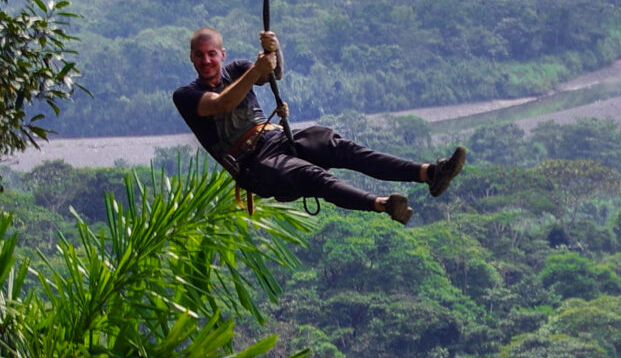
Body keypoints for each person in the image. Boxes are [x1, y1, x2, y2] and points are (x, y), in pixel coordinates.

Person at [173, 27, 464, 220]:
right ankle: (383, 204)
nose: (207, 60)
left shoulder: (236, 68)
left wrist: (274, 51)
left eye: (212, 54)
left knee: (340, 148)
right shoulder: (186, 95)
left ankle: (429, 173)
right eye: (200, 56)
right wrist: (258, 70)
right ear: (191, 59)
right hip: (252, 162)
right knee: (313, 176)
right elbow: (221, 104)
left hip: (277, 138)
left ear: (222, 54)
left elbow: (272, 75)